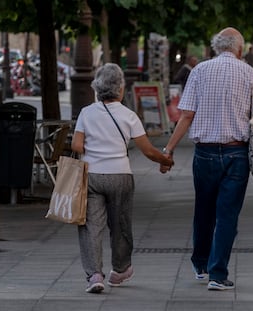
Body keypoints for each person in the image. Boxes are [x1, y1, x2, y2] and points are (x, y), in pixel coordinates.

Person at [160, 27, 253, 291]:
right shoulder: (249, 73)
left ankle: (201, 265)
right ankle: (218, 275)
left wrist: (169, 150)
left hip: (205, 153)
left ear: (215, 47)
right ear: (239, 49)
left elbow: (185, 115)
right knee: (227, 214)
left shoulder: (199, 71)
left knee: (204, 210)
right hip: (235, 153)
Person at [71, 63, 174, 294]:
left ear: (97, 87)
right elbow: (147, 150)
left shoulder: (87, 112)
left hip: (93, 175)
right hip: (120, 175)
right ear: (120, 88)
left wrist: (95, 147)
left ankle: (95, 274)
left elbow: (76, 145)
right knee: (120, 225)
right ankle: (120, 270)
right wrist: (165, 161)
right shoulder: (129, 116)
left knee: (91, 226)